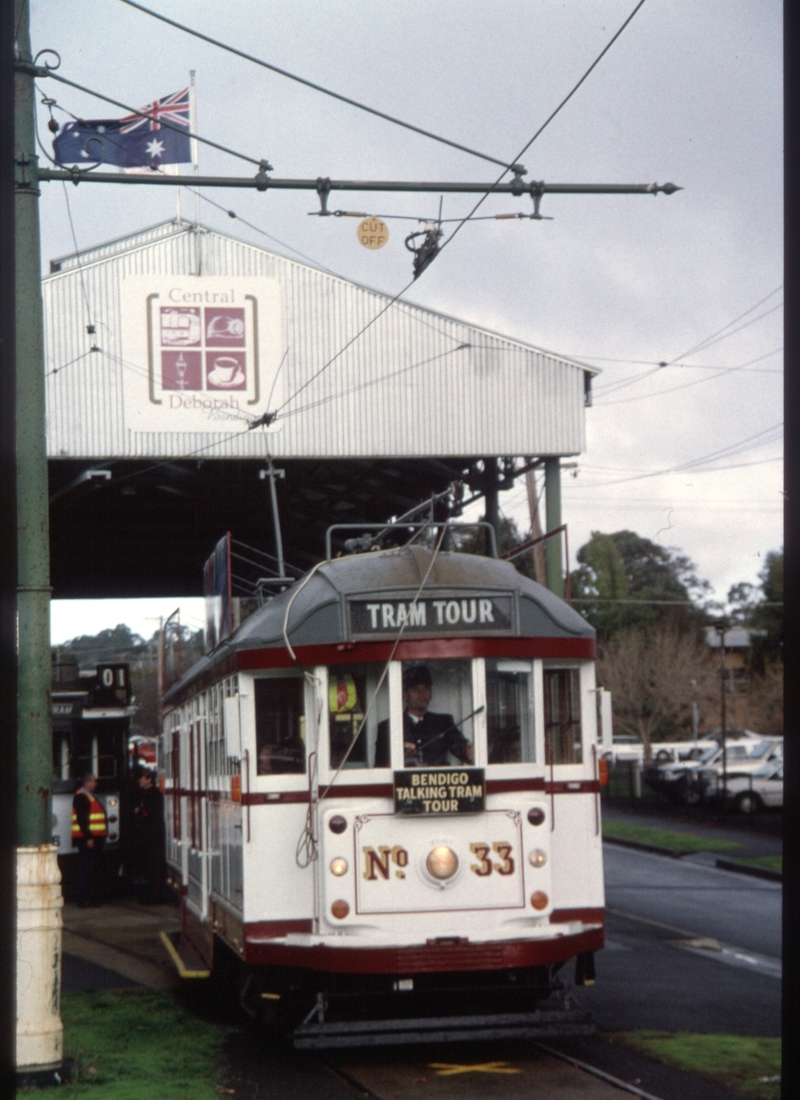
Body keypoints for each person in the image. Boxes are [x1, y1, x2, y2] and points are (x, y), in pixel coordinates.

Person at [71, 773, 107, 908]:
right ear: (86, 783)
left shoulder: (88, 797)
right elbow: (82, 820)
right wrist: (89, 837)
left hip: (93, 838)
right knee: (87, 869)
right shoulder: (82, 797)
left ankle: (89, 898)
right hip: (88, 839)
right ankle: (83, 899)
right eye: (93, 781)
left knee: (90, 868)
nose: (96, 783)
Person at [133, 770, 165, 904]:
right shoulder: (144, 794)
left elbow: (152, 814)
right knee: (147, 866)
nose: (139, 781)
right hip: (146, 836)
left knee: (154, 867)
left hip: (154, 836)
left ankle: (155, 896)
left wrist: (140, 811)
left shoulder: (155, 795)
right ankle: (148, 894)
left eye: (142, 779)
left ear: (149, 780)